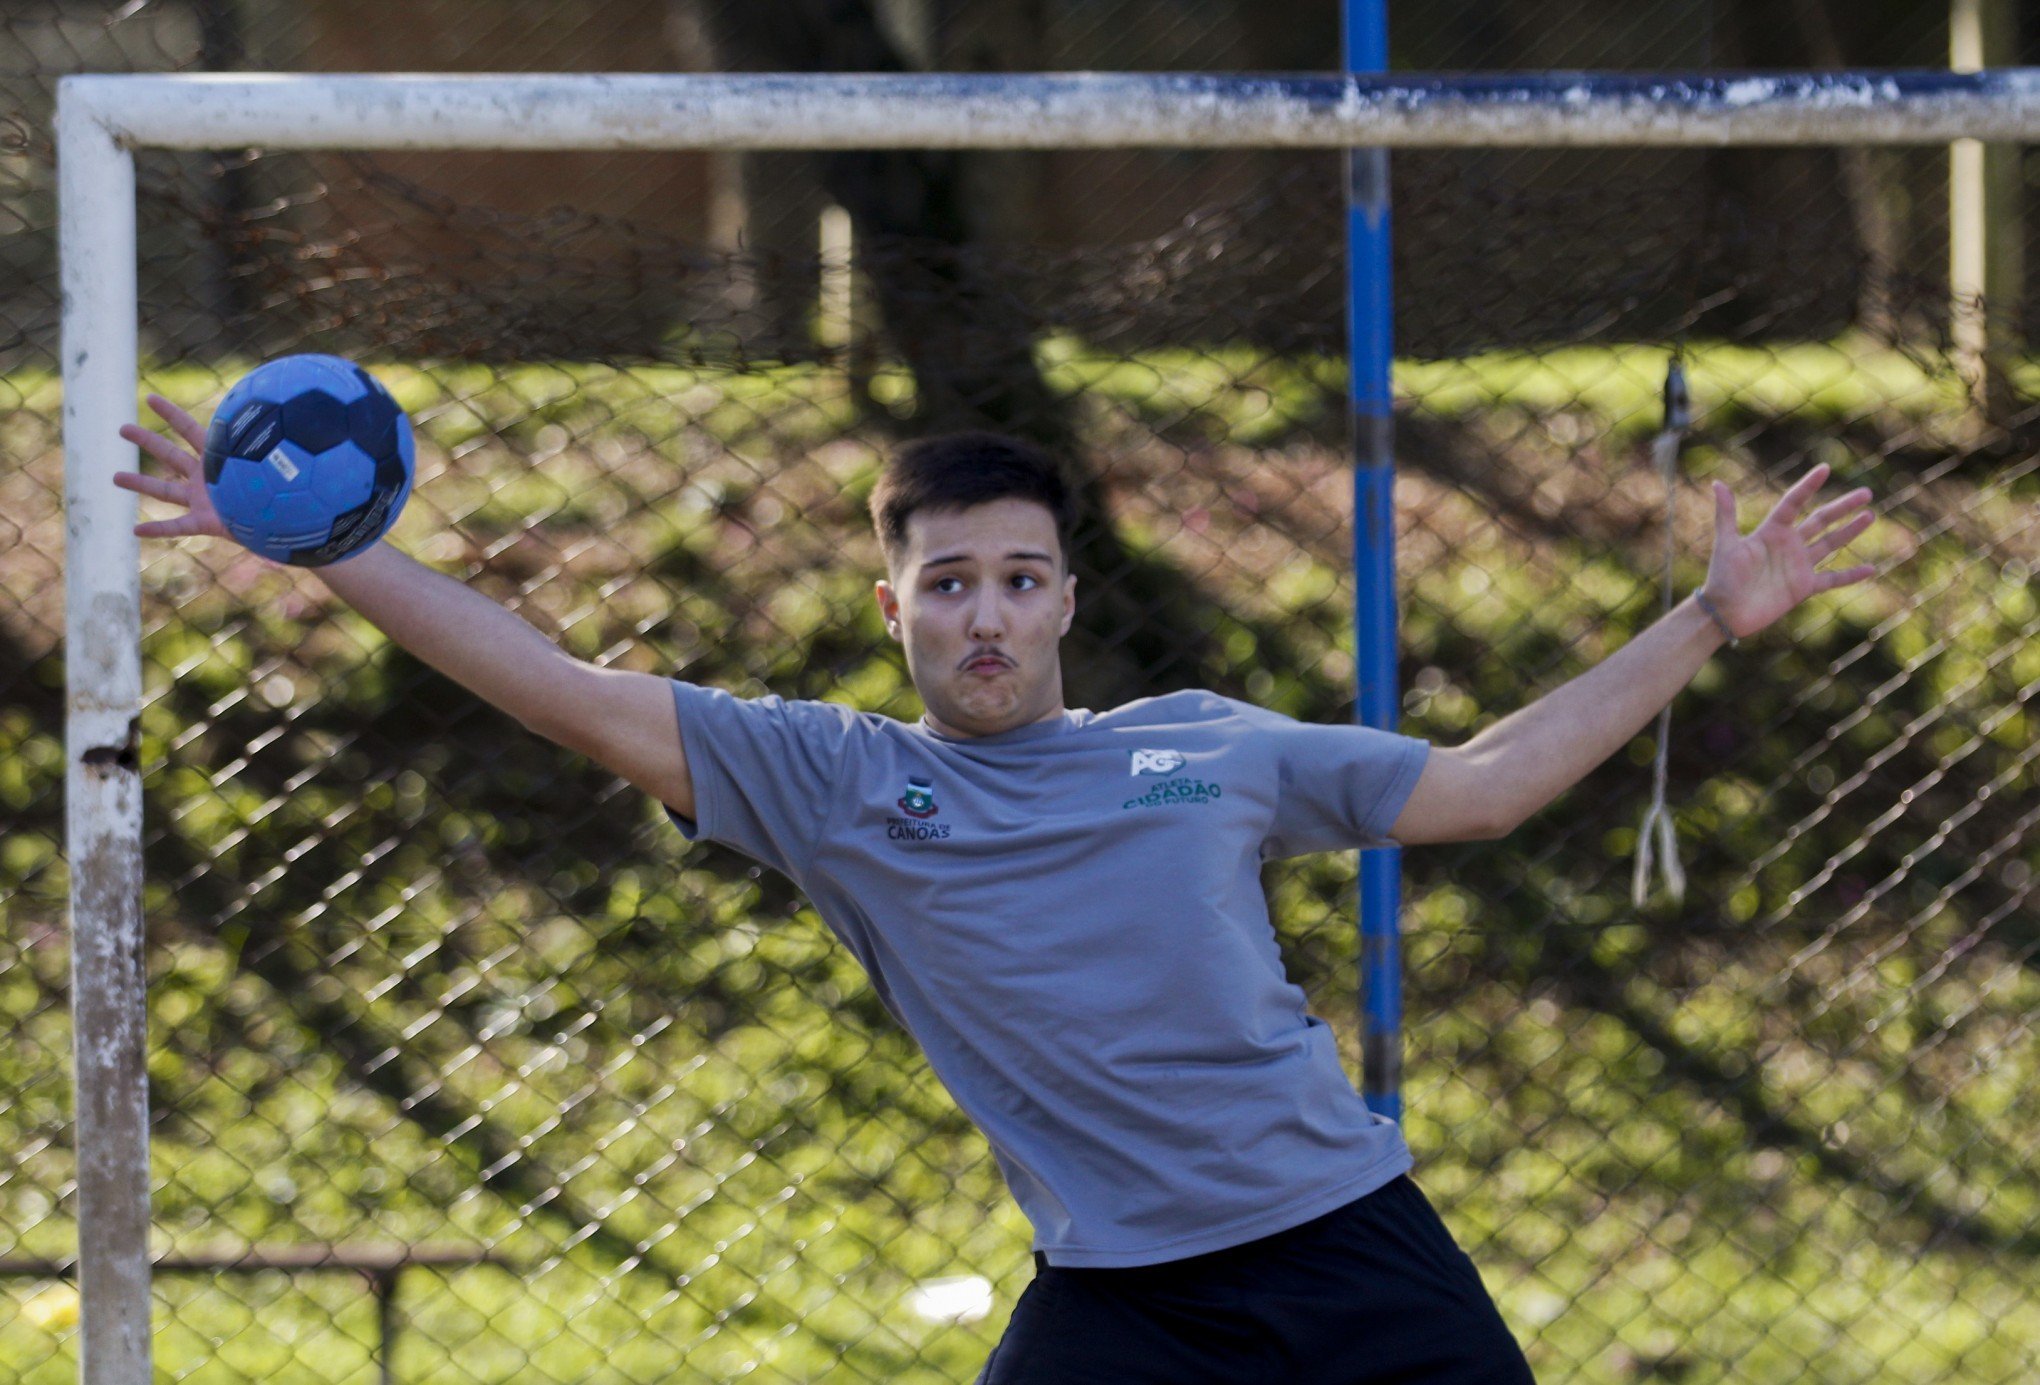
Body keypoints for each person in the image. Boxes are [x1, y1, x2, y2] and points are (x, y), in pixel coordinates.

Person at [117, 406, 1878, 1383]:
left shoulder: (1206, 748)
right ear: (896, 609)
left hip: (1354, 1257)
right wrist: (329, 546)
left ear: (1059, 602)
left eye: (1017, 577)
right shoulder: (837, 782)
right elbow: (563, 688)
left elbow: (1488, 784)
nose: (984, 611)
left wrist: (1710, 617)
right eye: (947, 579)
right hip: (1118, 1297)